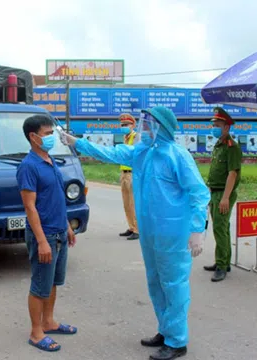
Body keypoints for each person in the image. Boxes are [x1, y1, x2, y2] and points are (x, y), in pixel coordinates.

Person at [60, 106, 210, 360]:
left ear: (162, 128)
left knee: (173, 285)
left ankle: (177, 341)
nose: (145, 129)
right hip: (150, 232)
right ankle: (165, 330)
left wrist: (197, 229)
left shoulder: (177, 155)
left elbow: (199, 193)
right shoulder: (143, 153)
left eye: (150, 125)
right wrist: (78, 143)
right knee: (156, 283)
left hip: (174, 233)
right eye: (145, 124)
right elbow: (112, 152)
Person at [16, 114, 78, 352]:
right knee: (40, 285)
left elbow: (56, 198)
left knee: (52, 282)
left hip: (59, 231)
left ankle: (49, 321)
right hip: (46, 236)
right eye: (47, 134)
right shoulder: (29, 166)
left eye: (52, 133)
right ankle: (35, 332)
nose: (52, 137)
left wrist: (67, 226)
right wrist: (42, 241)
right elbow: (30, 207)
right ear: (33, 137)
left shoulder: (49, 160)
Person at [204, 107, 243, 282]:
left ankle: (221, 266)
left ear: (226, 127)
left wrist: (225, 197)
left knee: (220, 229)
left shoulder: (231, 147)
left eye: (217, 125)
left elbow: (232, 174)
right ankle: (224, 261)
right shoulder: (219, 145)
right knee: (222, 228)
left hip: (223, 193)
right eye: (214, 125)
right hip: (215, 192)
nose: (214, 127)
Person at [118, 113, 139, 240]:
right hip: (124, 173)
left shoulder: (137, 137)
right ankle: (131, 227)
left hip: (132, 173)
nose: (124, 126)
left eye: (126, 124)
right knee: (126, 203)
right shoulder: (125, 138)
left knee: (133, 203)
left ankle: (137, 229)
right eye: (122, 125)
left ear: (133, 125)